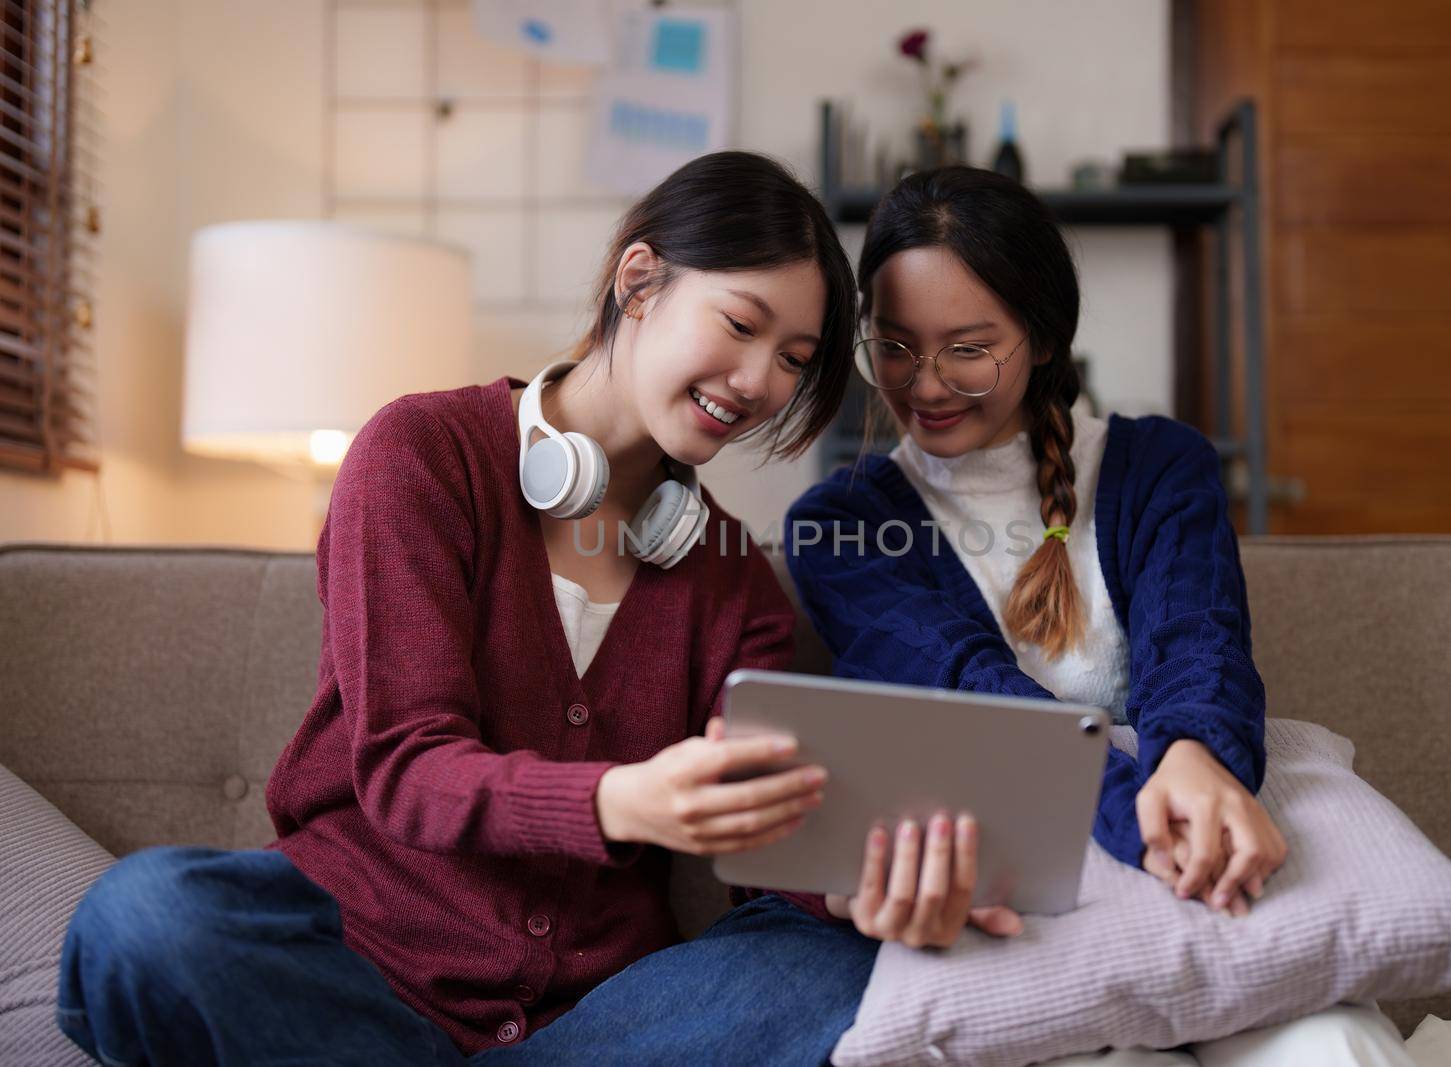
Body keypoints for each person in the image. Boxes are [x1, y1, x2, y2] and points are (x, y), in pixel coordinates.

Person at [54, 150, 864, 1067]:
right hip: (357, 979)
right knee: (148, 914)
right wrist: (616, 799)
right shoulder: (422, 454)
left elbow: (758, 838)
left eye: (793, 359)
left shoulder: (730, 575)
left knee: (837, 965)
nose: (759, 381)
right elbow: (408, 766)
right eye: (741, 324)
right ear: (639, 282)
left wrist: (847, 891)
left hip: (594, 1025)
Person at [782, 166, 1421, 1065]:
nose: (923, 386)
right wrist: (1152, 829)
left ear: (1042, 337)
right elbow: (977, 700)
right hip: (1033, 889)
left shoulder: (1160, 465)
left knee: (1336, 1044)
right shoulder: (842, 525)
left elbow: (1196, 646)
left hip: (1197, 846)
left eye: (968, 349)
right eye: (894, 346)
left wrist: (1197, 764)